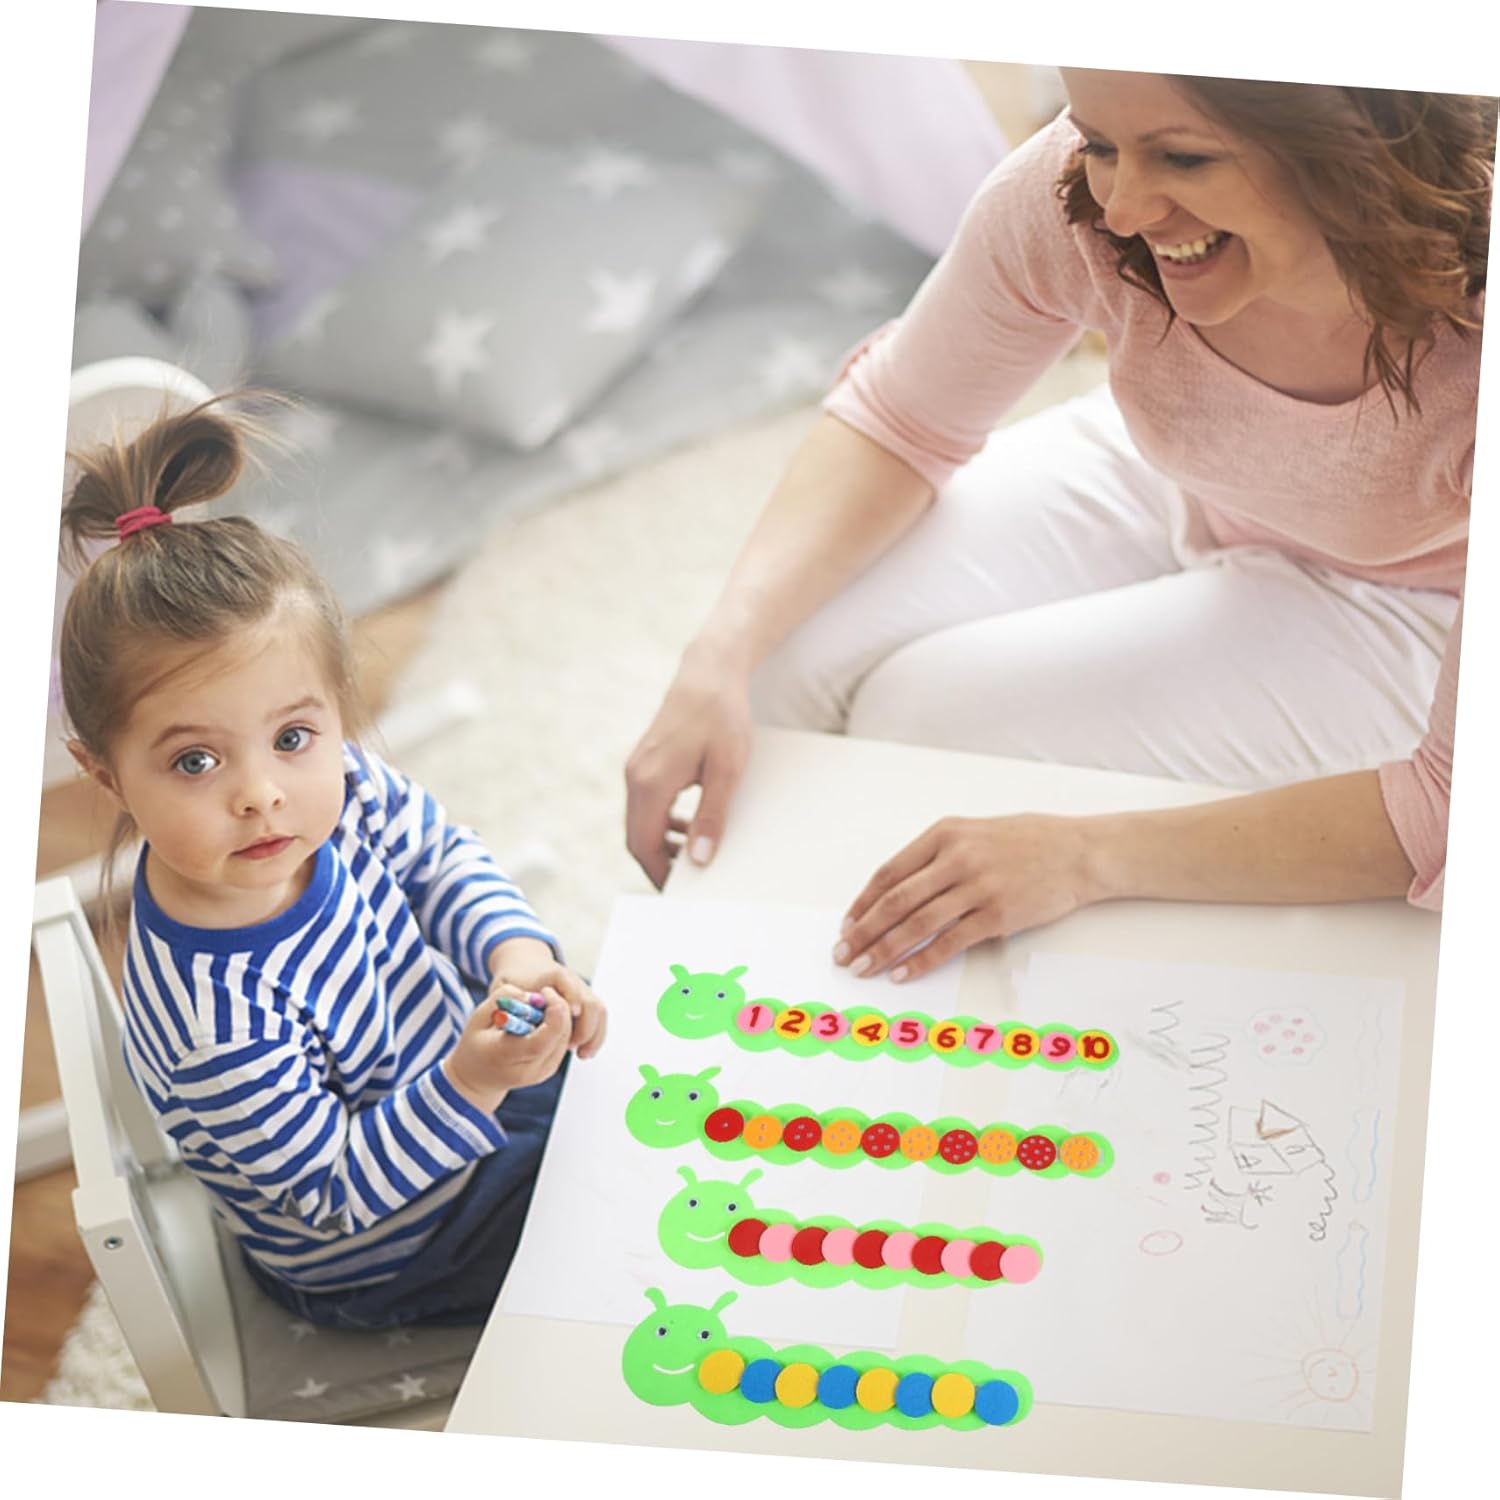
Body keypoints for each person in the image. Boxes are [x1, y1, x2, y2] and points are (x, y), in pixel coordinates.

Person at [625, 70, 1490, 984]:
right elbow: (902, 416)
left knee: (923, 721)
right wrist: (716, 652)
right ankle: (711, 985)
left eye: (1184, 158)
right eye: (1102, 143)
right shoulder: (1075, 189)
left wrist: (1089, 855)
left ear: (1368, 142)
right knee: (780, 660)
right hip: (1189, 469)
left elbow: (1456, 806)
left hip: (1418, 604)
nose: (1121, 209)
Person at [58, 395, 607, 1329]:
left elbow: (439, 859)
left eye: (292, 737)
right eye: (195, 761)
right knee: (623, 1239)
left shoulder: (343, 785)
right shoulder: (213, 1022)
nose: (261, 794)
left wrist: (514, 958)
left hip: (460, 1091)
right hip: (402, 1241)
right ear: (105, 774)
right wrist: (475, 1081)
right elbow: (332, 1195)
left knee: (648, 1081)